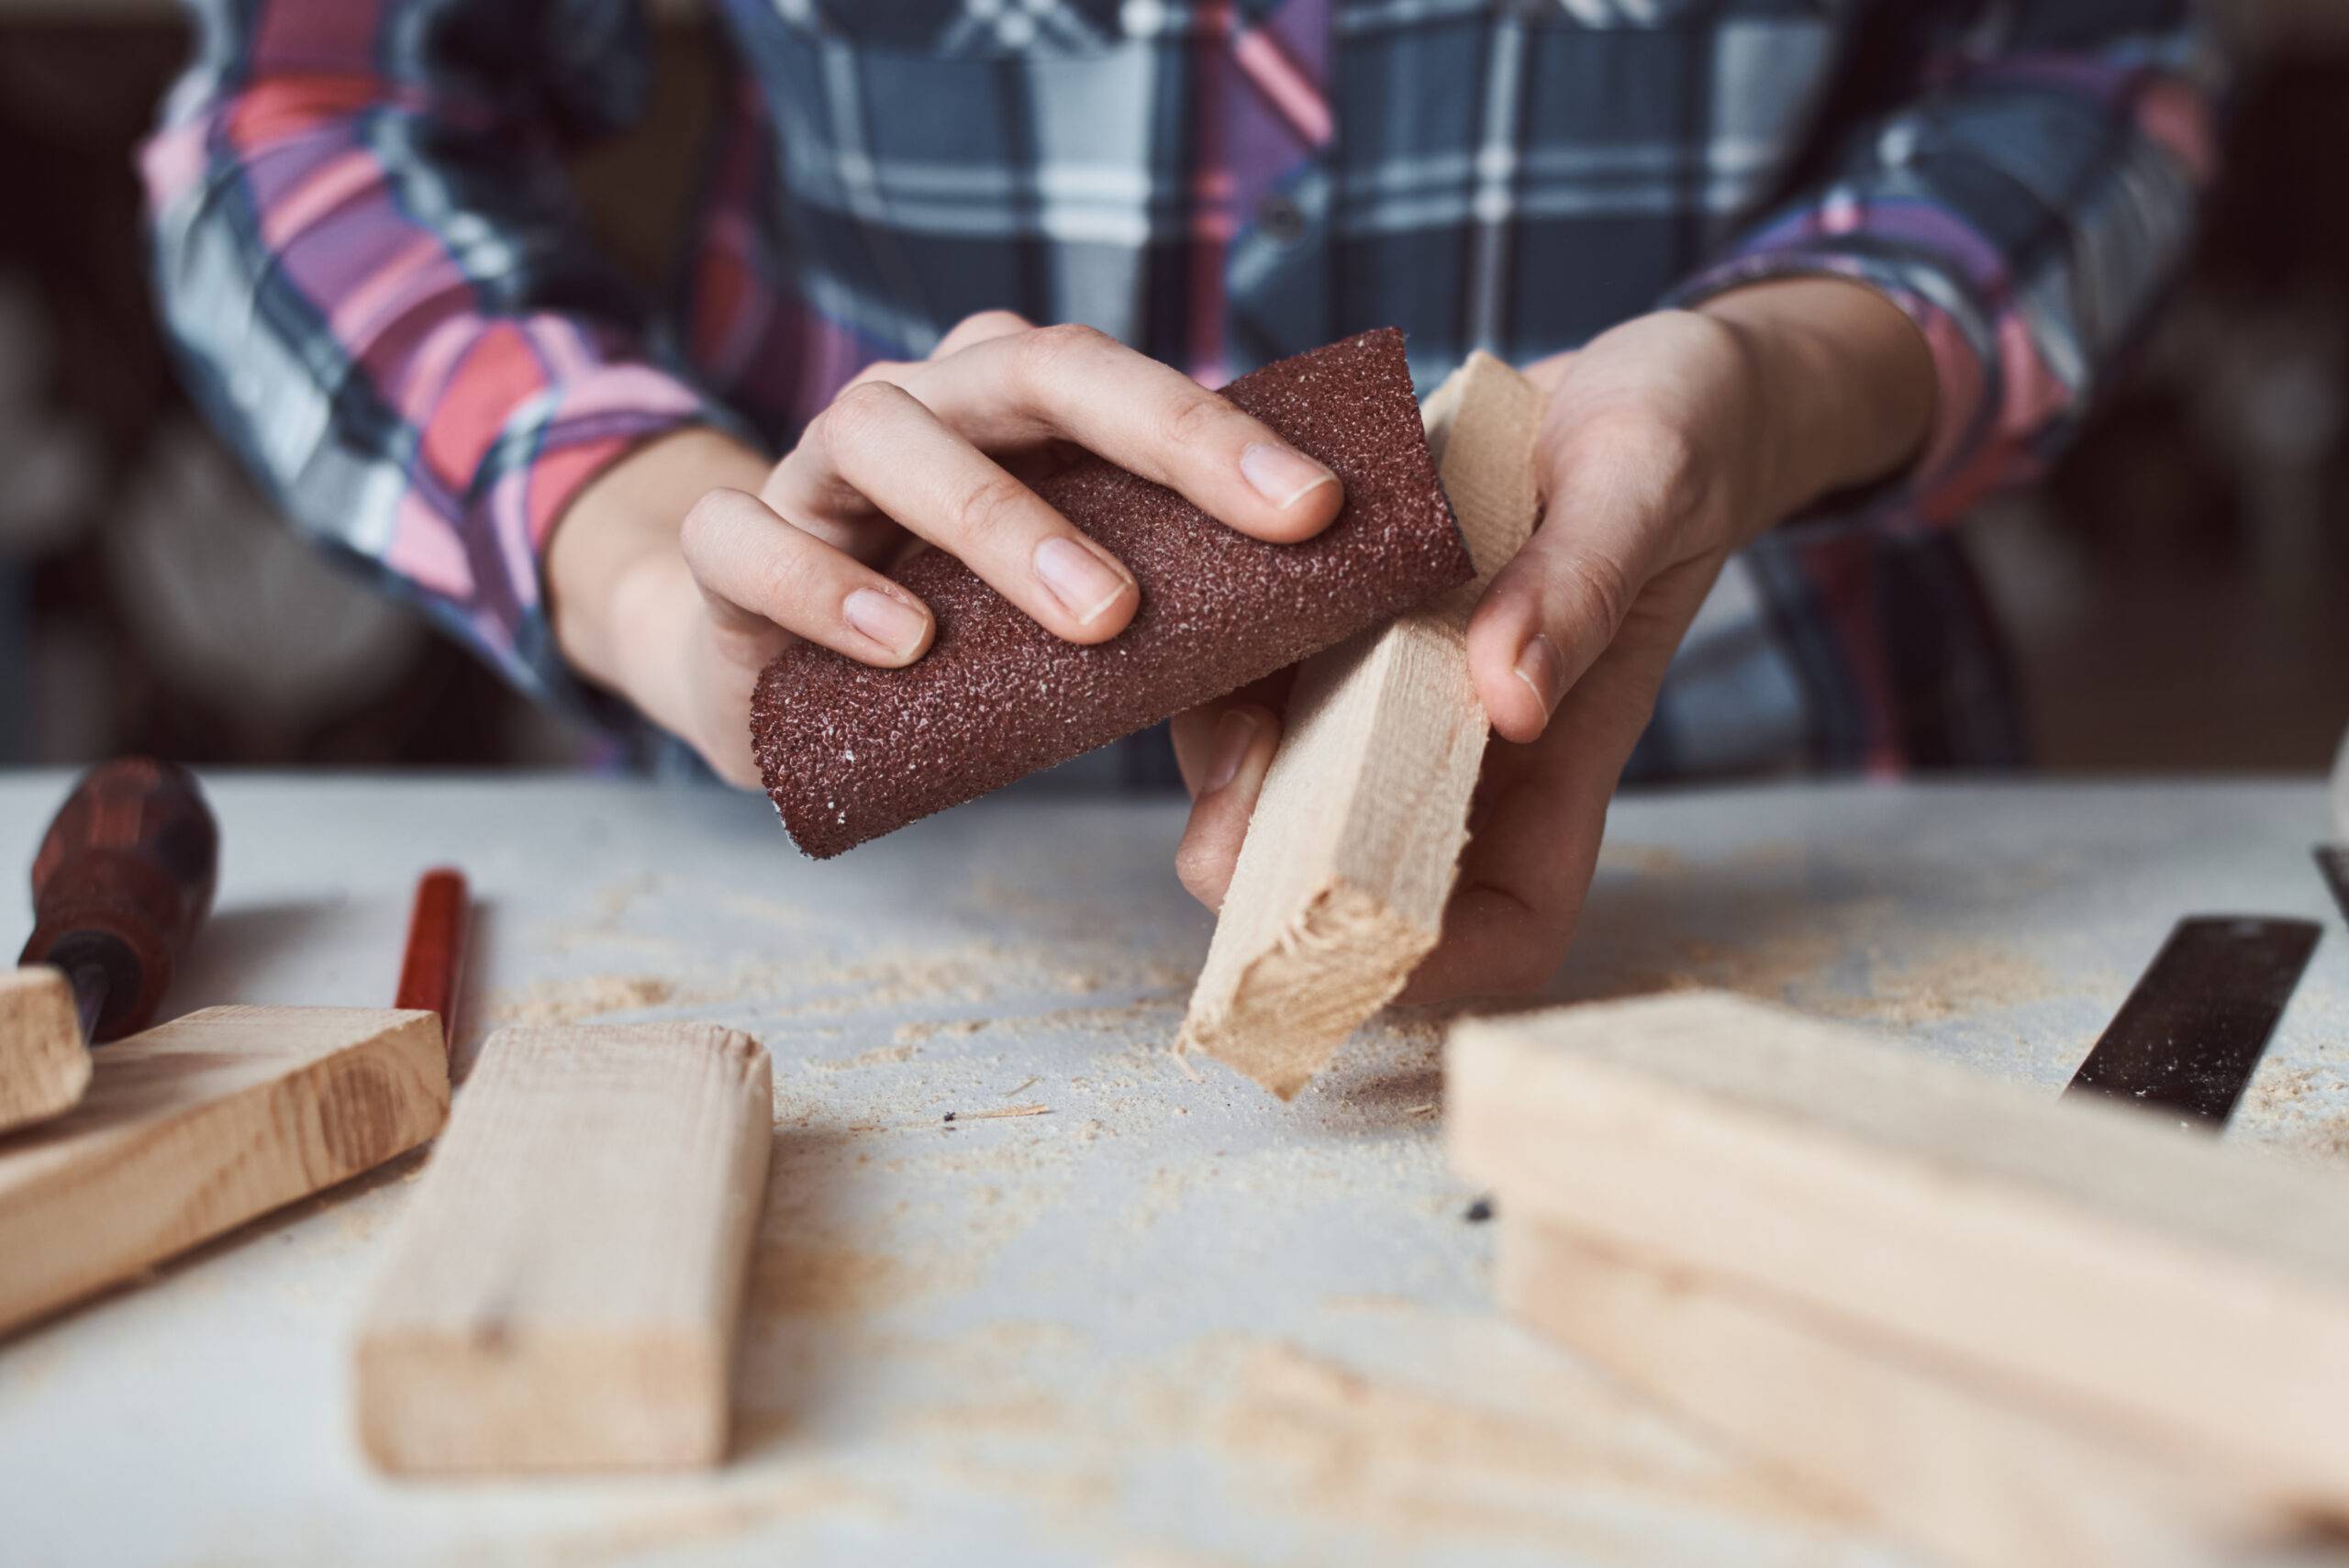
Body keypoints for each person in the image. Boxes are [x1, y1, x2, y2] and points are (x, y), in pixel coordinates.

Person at [141, 1, 2214, 1001]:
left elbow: (2087, 58)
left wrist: (1773, 376)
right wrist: (635, 544)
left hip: (1774, 846)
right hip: (832, 926)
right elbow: (319, 108)